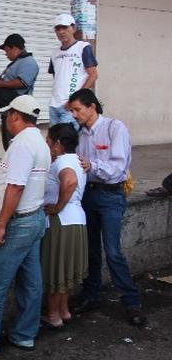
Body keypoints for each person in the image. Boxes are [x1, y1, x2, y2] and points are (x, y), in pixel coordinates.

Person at [0, 95, 51, 357]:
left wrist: (1, 225)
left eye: (7, 116)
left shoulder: (22, 144)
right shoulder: (39, 140)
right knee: (30, 282)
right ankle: (24, 335)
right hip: (34, 219)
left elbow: (16, 186)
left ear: (16, 115)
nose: (6, 120)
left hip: (17, 224)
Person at [68, 88, 146, 326]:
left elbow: (118, 168)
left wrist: (92, 165)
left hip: (111, 196)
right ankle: (91, 296)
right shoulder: (79, 134)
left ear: (92, 107)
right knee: (90, 250)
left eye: (77, 109)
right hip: (87, 196)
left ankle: (131, 302)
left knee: (112, 251)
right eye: (72, 110)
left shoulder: (114, 128)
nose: (74, 115)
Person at [40, 123, 88, 329]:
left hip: (61, 222)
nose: (46, 144)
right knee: (65, 269)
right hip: (76, 220)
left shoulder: (61, 162)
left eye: (49, 140)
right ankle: (64, 311)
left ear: (58, 143)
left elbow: (69, 181)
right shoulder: (77, 160)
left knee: (54, 269)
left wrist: (57, 207)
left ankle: (53, 315)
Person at [0, 33, 39, 150]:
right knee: (9, 145)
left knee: (16, 145)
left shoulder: (28, 62)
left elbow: (23, 82)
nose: (6, 54)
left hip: (19, 113)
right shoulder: (17, 62)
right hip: (9, 110)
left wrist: (1, 84)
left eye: (7, 51)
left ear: (15, 48)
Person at [49, 14, 98, 127]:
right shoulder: (54, 53)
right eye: (58, 28)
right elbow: (56, 76)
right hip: (54, 105)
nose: (61, 31)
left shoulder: (83, 47)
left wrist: (75, 100)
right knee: (54, 141)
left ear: (73, 28)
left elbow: (93, 75)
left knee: (67, 142)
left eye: (65, 27)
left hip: (71, 107)